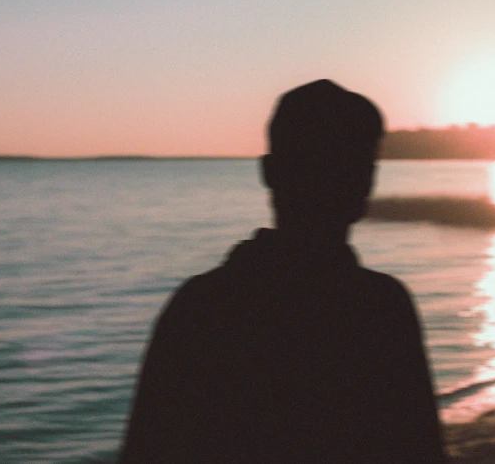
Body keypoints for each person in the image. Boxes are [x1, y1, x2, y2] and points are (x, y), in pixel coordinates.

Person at [119, 80, 446, 463]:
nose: (348, 176)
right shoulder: (382, 306)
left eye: (358, 161)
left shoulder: (200, 307)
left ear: (269, 172)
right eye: (327, 161)